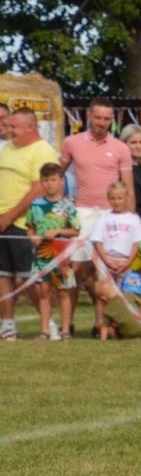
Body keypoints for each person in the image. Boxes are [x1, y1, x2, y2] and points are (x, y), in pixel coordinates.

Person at [58, 97, 133, 330]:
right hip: (82, 211)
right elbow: (55, 175)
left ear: (112, 120)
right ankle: (67, 324)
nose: (102, 122)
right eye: (98, 117)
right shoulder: (71, 142)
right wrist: (59, 207)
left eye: (107, 119)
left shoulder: (121, 148)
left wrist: (129, 219)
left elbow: (127, 187)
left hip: (111, 213)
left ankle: (103, 322)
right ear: (89, 116)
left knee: (106, 269)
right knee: (76, 268)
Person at [0, 109, 59, 340]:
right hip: (2, 221)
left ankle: (48, 324)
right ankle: (7, 324)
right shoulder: (7, 149)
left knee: (30, 277)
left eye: (13, 126)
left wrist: (10, 216)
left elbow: (38, 189)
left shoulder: (43, 150)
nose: (8, 130)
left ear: (29, 127)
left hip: (24, 223)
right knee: (2, 275)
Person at [25, 163, 79, 340]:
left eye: (53, 179)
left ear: (61, 181)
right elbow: (30, 227)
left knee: (64, 293)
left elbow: (76, 230)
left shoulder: (68, 205)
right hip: (41, 256)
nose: (50, 183)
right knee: (44, 293)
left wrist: (58, 232)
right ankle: (45, 331)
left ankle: (65, 331)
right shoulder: (35, 205)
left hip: (61, 257)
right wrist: (32, 236)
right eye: (46, 180)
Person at [89, 181, 141, 292]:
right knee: (104, 293)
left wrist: (128, 262)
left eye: (120, 198)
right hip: (107, 260)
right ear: (108, 199)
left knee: (125, 294)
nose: (116, 202)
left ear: (126, 198)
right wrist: (106, 260)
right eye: (113, 198)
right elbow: (98, 242)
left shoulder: (134, 219)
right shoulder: (103, 218)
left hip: (125, 261)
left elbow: (136, 243)